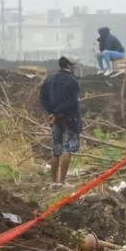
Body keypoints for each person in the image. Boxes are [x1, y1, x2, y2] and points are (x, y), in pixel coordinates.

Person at [39, 56, 81, 188]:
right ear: (69, 65)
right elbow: (72, 102)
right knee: (66, 149)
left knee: (56, 150)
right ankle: (62, 182)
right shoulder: (72, 81)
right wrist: (58, 113)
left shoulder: (50, 78)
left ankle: (53, 181)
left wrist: (52, 112)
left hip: (55, 119)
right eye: (74, 65)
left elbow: (42, 98)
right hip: (69, 118)